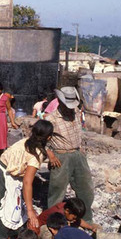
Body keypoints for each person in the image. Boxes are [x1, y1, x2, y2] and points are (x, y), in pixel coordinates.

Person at [0, 120, 54, 239]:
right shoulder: (35, 155)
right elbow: (28, 182)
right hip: (4, 175)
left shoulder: (27, 141)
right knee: (6, 206)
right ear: (48, 137)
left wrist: (50, 154)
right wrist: (30, 210)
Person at [45, 86, 94, 222]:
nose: (70, 108)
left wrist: (81, 151)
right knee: (57, 191)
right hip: (60, 156)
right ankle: (54, 221)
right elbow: (40, 139)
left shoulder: (76, 112)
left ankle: (86, 218)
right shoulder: (51, 119)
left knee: (86, 188)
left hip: (78, 154)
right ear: (60, 102)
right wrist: (50, 155)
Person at [36, 198, 100, 239]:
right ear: (67, 211)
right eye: (73, 218)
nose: (75, 220)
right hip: (42, 229)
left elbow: (78, 221)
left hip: (56, 225)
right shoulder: (58, 215)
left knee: (78, 229)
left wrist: (91, 227)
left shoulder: (68, 209)